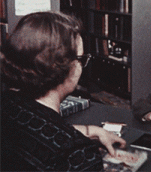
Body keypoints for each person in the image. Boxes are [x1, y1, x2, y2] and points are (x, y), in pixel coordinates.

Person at [1, 11, 126, 171]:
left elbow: (35, 132)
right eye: (81, 59)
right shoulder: (76, 153)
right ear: (62, 67)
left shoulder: (7, 101)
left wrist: (92, 131)